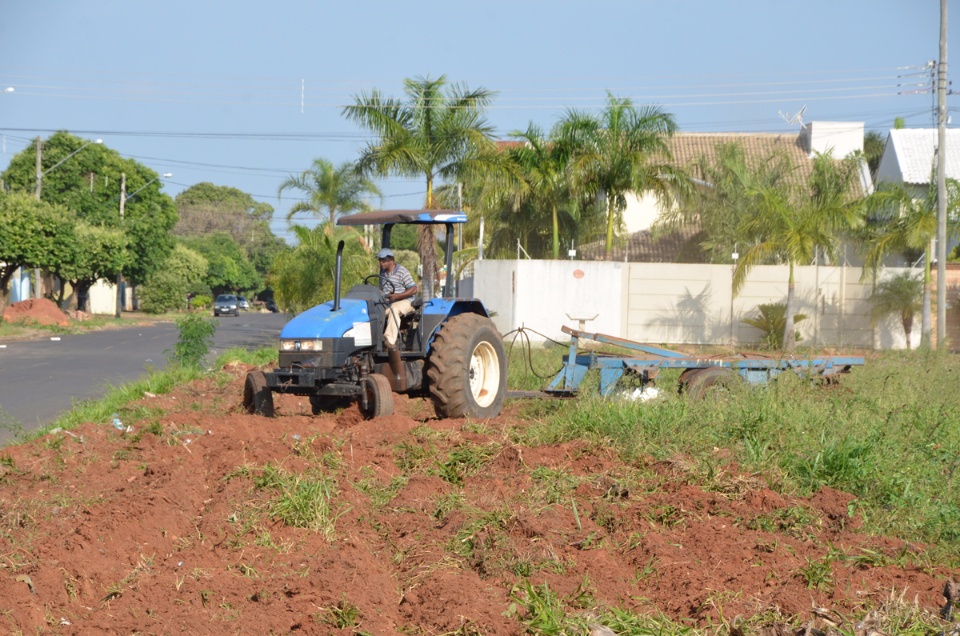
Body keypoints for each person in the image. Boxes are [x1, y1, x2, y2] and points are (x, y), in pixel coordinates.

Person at [377, 248, 418, 349]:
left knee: (393, 309)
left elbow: (414, 289)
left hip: (406, 302)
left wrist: (397, 296)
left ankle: (389, 341)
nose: (381, 262)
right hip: (388, 302)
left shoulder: (402, 271)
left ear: (391, 260)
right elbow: (381, 290)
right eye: (380, 260)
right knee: (373, 310)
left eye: (383, 260)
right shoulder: (383, 274)